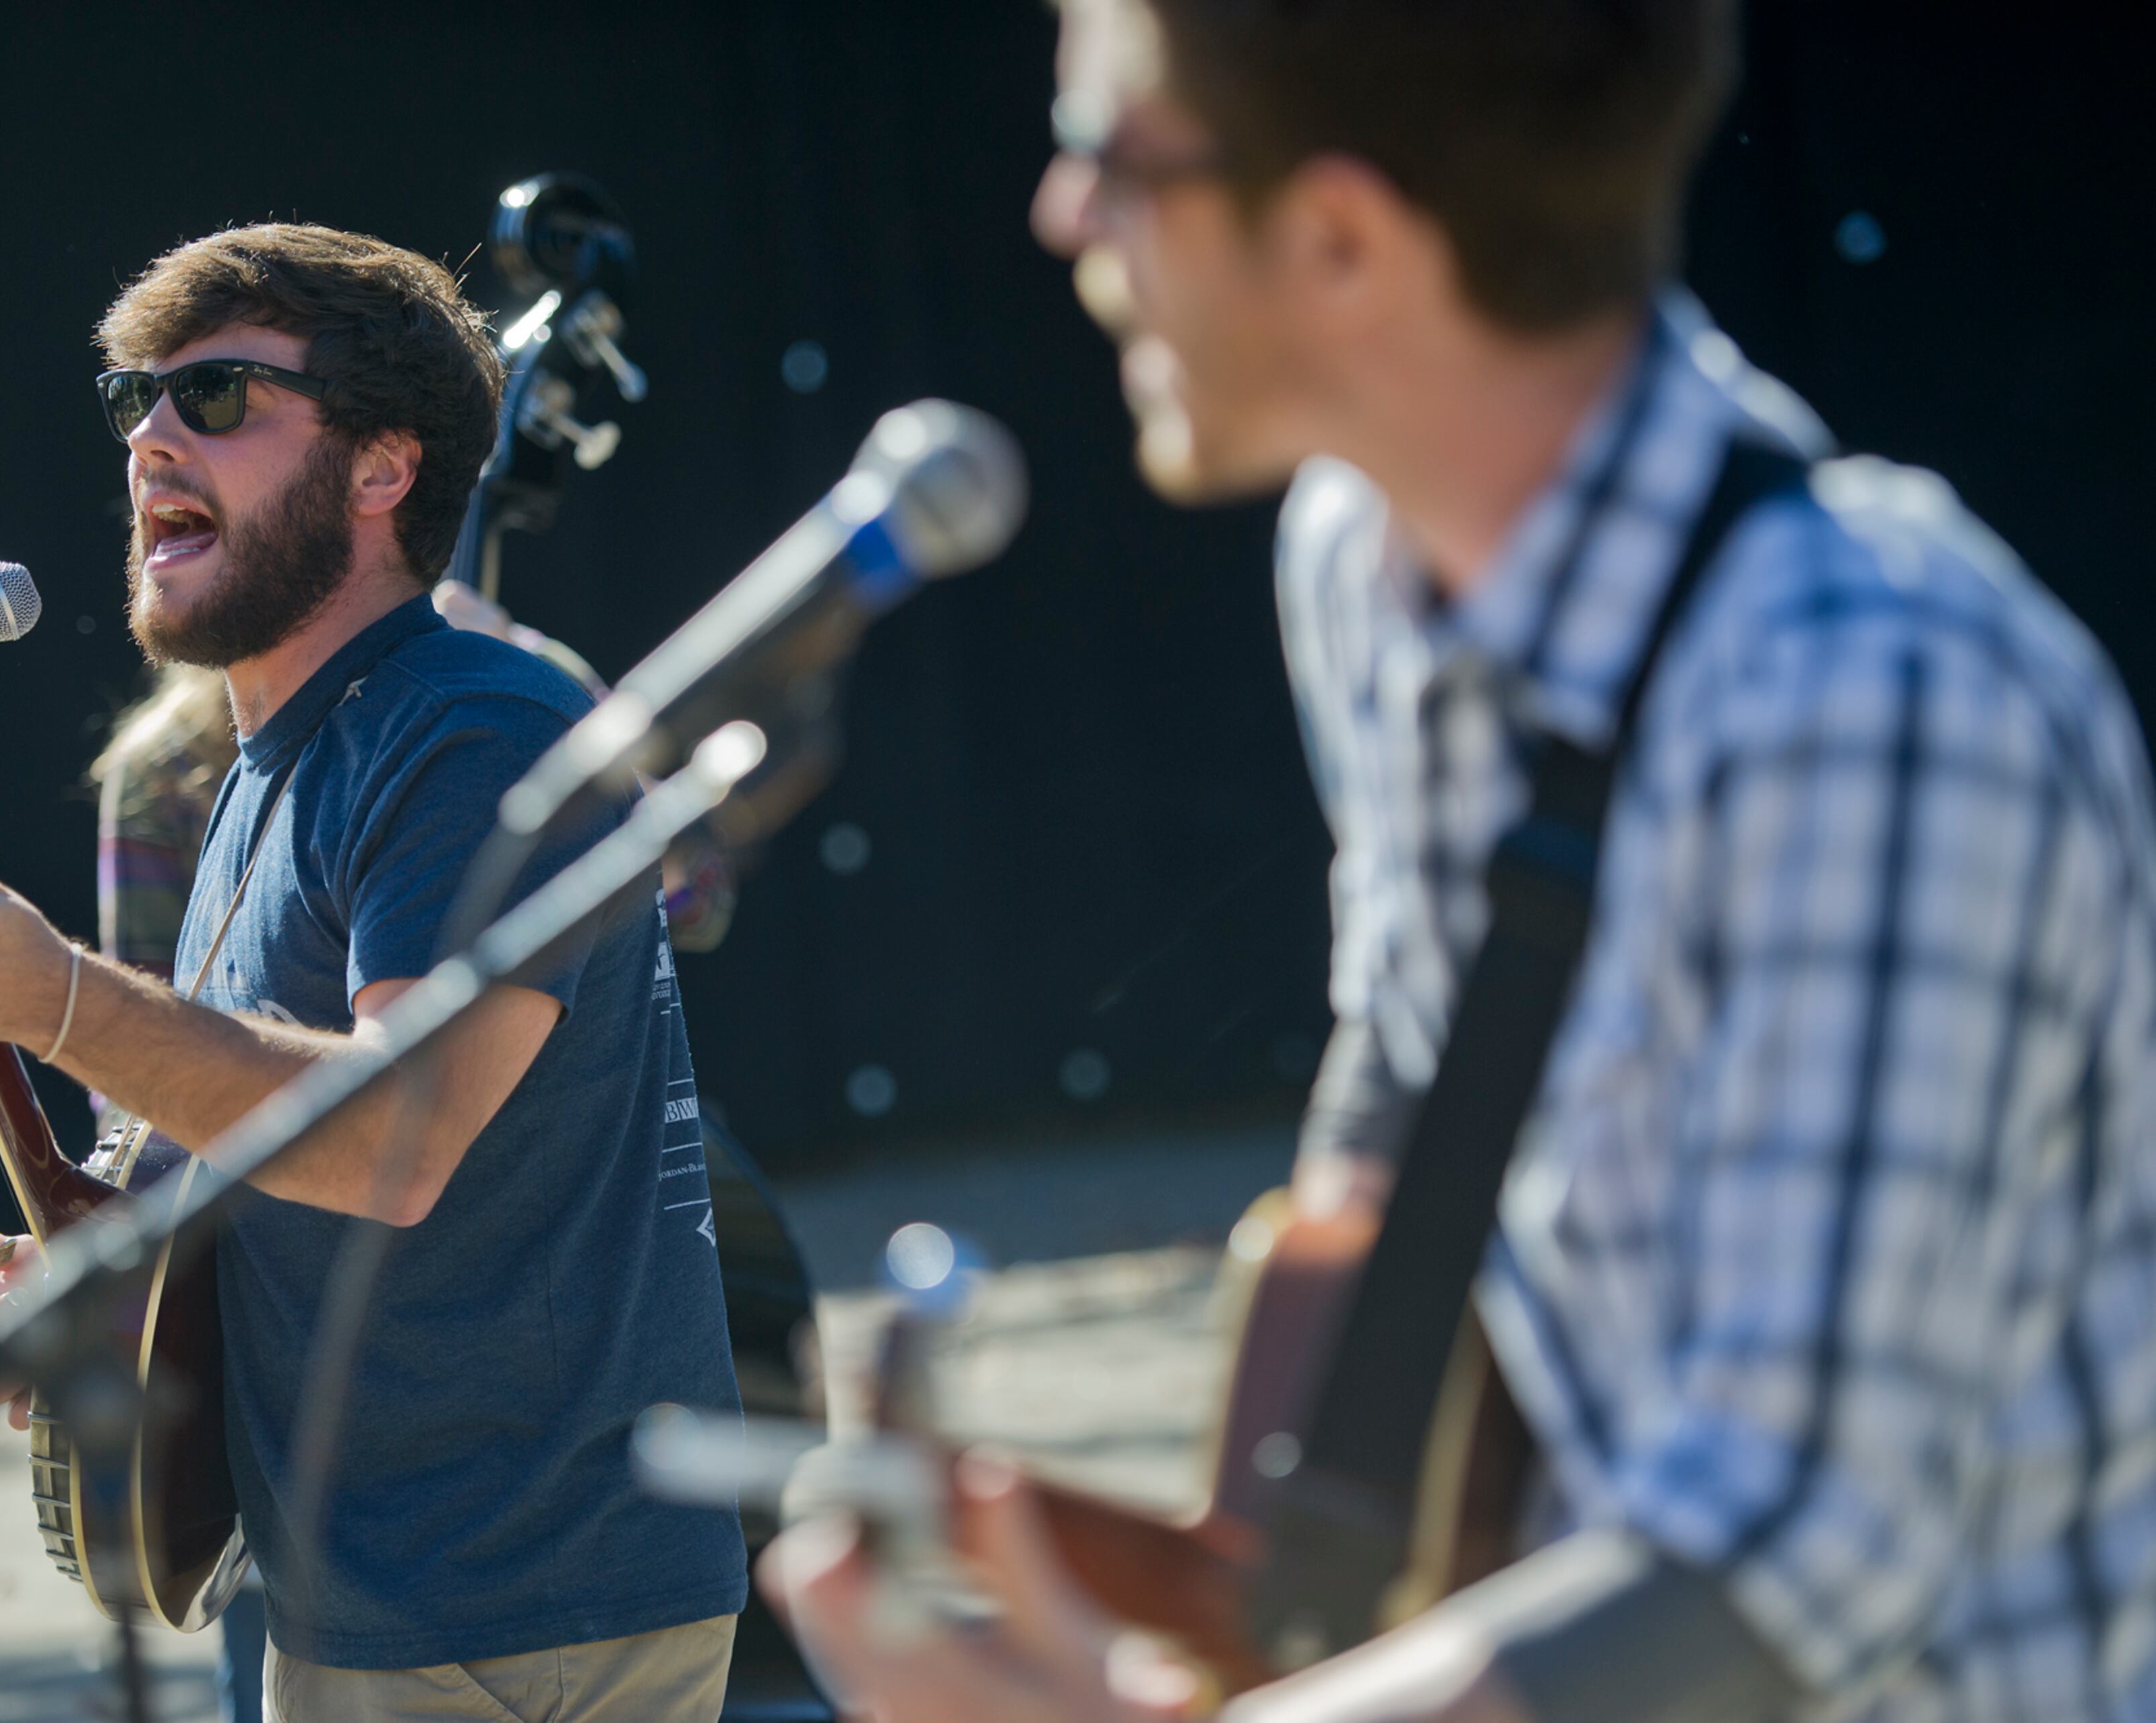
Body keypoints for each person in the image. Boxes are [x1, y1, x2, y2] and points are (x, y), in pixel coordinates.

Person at [766, 3, 2156, 1720]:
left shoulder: (1875, 696)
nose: (1062, 217)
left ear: (1344, 237)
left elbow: (1795, 1546)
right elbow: (1413, 1093)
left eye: (1111, 154)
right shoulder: (1365, 555)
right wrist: (1240, 1592)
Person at [0, 222, 746, 1722]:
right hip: (375, 1595)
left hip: (513, 1604)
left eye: (214, 399)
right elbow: (264, 1163)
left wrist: (55, 998)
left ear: (383, 468)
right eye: (135, 398)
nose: (147, 436)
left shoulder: (478, 727)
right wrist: (100, 1286)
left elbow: (395, 1139)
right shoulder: (277, 758)